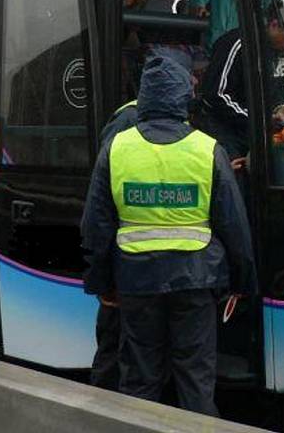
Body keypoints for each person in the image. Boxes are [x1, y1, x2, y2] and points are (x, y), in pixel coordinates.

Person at [81, 54, 257, 416]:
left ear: (144, 97)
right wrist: (241, 282)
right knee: (195, 380)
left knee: (140, 382)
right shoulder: (208, 149)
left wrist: (103, 286)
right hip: (195, 284)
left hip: (136, 284)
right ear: (182, 98)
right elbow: (234, 225)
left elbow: (95, 226)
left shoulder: (117, 149)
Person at [196, 2, 284, 159]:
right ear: (274, 25)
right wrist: (259, 119)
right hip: (224, 127)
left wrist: (282, 107)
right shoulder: (238, 44)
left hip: (260, 128)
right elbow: (216, 95)